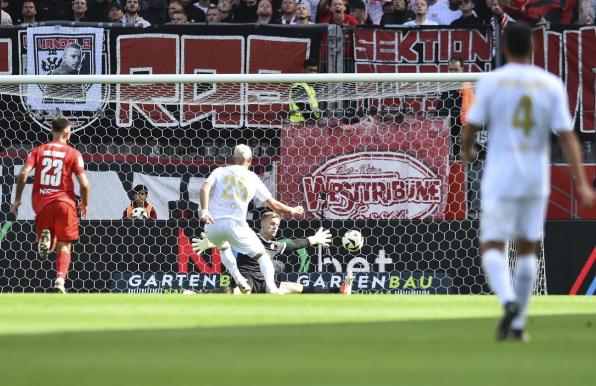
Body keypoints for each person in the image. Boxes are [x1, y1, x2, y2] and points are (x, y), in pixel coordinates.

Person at [463, 22, 595, 341]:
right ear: (533, 48)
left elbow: (472, 123)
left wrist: (466, 148)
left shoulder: (492, 82)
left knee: (492, 246)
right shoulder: (549, 84)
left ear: (504, 47)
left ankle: (508, 301)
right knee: (528, 249)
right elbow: (567, 137)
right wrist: (582, 183)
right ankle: (519, 323)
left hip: (500, 174)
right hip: (535, 177)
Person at [198, 144, 304, 294]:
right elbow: (275, 206)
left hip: (212, 224)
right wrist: (293, 210)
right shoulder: (252, 178)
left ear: (233, 158)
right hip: (236, 225)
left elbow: (204, 188)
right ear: (250, 160)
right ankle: (272, 288)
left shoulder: (219, 171)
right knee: (263, 257)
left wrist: (204, 211)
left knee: (223, 247)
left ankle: (239, 278)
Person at [11, 117, 91, 294]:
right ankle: (60, 281)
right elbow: (84, 184)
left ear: (51, 131)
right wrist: (84, 203)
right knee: (65, 244)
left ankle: (45, 241)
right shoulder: (73, 153)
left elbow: (23, 174)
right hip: (65, 203)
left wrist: (17, 199)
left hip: (42, 203)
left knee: (49, 239)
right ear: (67, 133)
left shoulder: (38, 150)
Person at [192, 211, 355, 294]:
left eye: (277, 224)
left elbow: (294, 245)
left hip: (265, 282)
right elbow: (228, 241)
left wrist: (314, 239)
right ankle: (197, 296)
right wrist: (211, 243)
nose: (275, 226)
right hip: (247, 279)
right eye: (271, 223)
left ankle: (337, 291)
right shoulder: (248, 237)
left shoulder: (274, 245)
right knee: (232, 294)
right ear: (262, 224)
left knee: (295, 288)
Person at [289, 59, 321, 124]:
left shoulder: (310, 87)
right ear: (303, 70)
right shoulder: (298, 86)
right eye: (310, 70)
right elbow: (305, 109)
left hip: (308, 125)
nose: (313, 73)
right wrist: (316, 123)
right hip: (299, 125)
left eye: (315, 71)